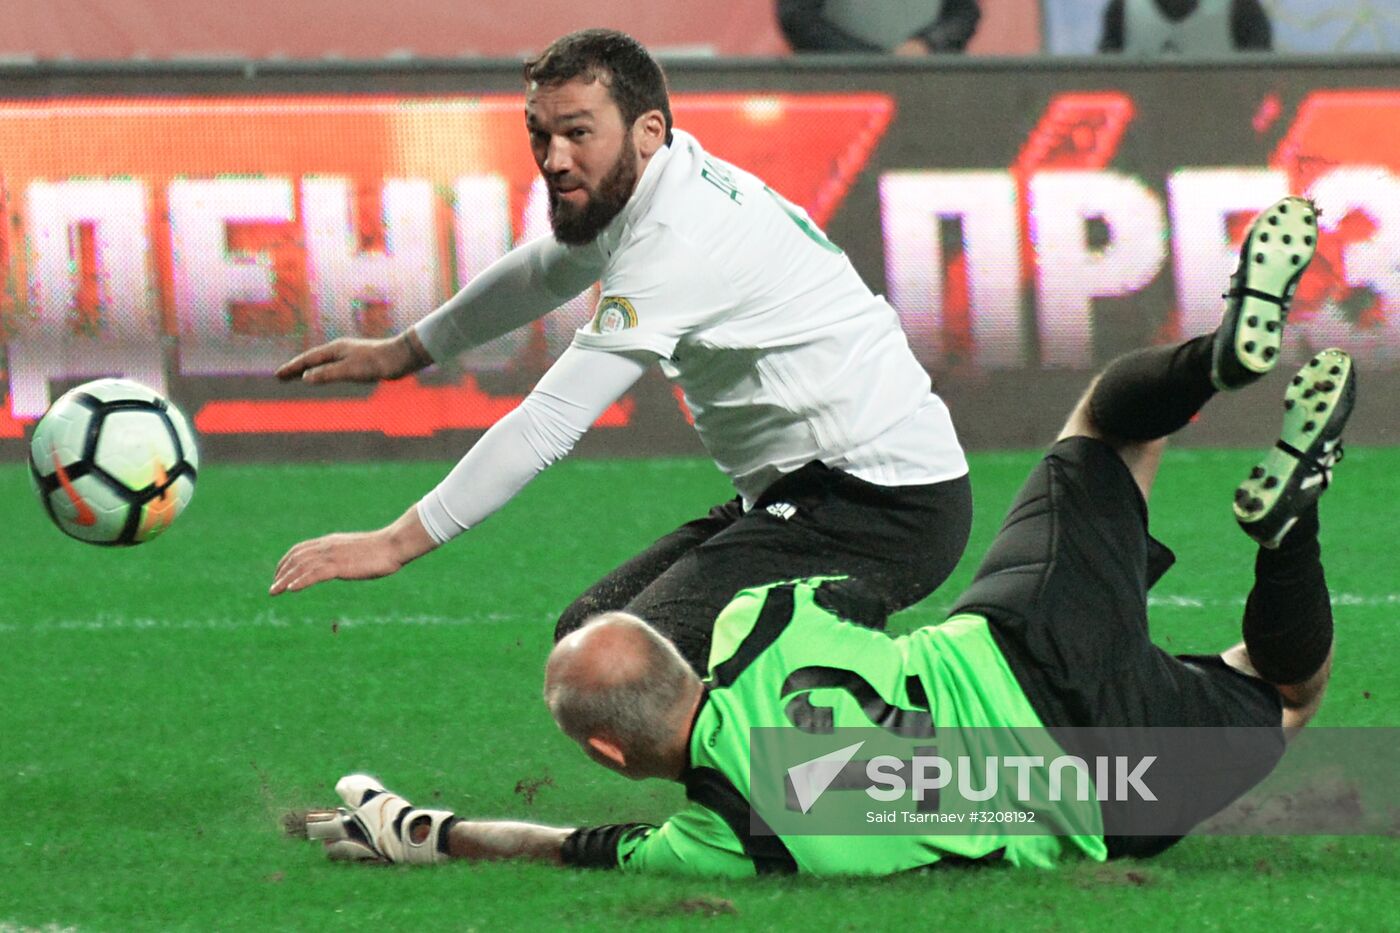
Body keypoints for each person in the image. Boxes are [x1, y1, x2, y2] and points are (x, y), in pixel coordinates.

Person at [290, 196, 1357, 874]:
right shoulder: (762, 619)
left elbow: (557, 844)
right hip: (1021, 634)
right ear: (680, 651)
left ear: (612, 752)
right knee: (1112, 426)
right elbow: (847, 587)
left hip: (1097, 790)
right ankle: (1219, 362)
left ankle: (1285, 532)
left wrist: (418, 830)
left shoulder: (726, 837)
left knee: (1280, 693)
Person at [267, 29, 972, 671]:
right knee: (591, 637)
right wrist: (405, 351)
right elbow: (549, 269)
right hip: (803, 493)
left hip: (882, 509)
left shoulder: (677, 240)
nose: (554, 159)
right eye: (540, 133)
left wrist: (394, 542)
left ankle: (903, 748)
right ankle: (802, 759)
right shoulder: (656, 179)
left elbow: (547, 423)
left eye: (577, 132)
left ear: (647, 129)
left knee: (624, 670)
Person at [776, 0, 981, 55]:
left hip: (927, 85)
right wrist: (867, 59)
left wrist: (926, 44)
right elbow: (797, 17)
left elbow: (964, 13)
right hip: (837, 87)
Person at [1100, 0, 1272, 54]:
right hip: (1142, 133)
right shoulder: (1123, 10)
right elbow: (1105, 80)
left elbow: (1263, 81)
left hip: (1223, 130)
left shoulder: (1241, 8)